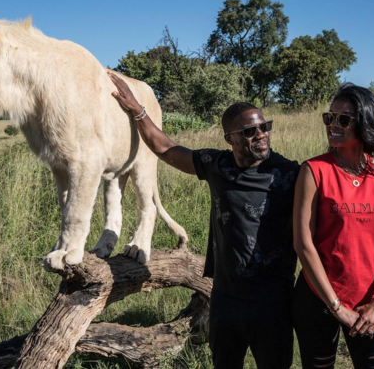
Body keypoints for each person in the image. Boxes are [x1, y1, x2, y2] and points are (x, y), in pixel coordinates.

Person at [108, 71, 300, 369]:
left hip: (272, 302)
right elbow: (164, 148)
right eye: (250, 131)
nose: (261, 135)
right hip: (225, 298)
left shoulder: (288, 174)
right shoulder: (217, 164)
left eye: (264, 127)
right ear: (230, 139)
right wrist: (138, 110)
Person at [292, 83, 374, 369]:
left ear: (366, 121)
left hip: (370, 302)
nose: (332, 125)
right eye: (329, 117)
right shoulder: (314, 170)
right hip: (318, 299)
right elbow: (303, 244)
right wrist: (337, 308)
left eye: (343, 119)